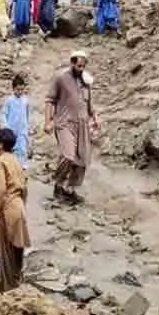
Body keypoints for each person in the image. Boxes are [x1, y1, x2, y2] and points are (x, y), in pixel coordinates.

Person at [44, 51, 100, 203]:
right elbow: (50, 100)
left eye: (83, 66)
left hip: (82, 124)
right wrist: (47, 121)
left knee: (82, 160)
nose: (80, 68)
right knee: (68, 156)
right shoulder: (61, 78)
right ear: (72, 63)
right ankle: (58, 183)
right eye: (78, 65)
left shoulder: (86, 81)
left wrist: (95, 117)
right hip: (64, 123)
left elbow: (89, 103)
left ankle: (69, 189)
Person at [0, 127, 31, 293]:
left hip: (8, 208)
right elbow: (24, 185)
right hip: (19, 205)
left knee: (6, 251)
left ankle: (8, 289)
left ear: (0, 145)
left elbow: (0, 190)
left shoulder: (0, 162)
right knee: (17, 248)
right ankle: (17, 281)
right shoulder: (15, 159)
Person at [2, 74, 32, 168]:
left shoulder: (25, 101)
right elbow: (4, 114)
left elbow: (27, 115)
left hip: (22, 129)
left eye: (22, 89)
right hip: (11, 129)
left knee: (22, 148)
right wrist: (6, 126)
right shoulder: (9, 101)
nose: (20, 92)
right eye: (18, 89)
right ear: (13, 89)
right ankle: (12, 166)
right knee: (12, 148)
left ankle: (22, 166)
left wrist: (27, 127)